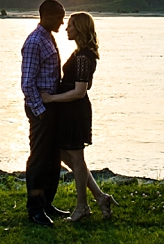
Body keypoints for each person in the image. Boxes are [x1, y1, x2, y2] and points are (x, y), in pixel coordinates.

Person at [40, 12, 117, 221]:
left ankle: (83, 206)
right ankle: (100, 197)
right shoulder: (80, 53)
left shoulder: (84, 56)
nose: (66, 28)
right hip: (68, 110)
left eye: (71, 25)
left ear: (80, 28)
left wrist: (50, 99)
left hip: (75, 111)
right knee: (66, 155)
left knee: (76, 157)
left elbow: (80, 91)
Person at [20, 0, 70, 227]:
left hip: (51, 106)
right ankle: (34, 209)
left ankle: (46, 203)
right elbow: (27, 83)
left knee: (52, 159)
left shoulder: (48, 37)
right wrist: (40, 111)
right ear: (47, 16)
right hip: (41, 108)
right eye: (59, 17)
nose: (62, 21)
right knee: (39, 160)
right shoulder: (34, 42)